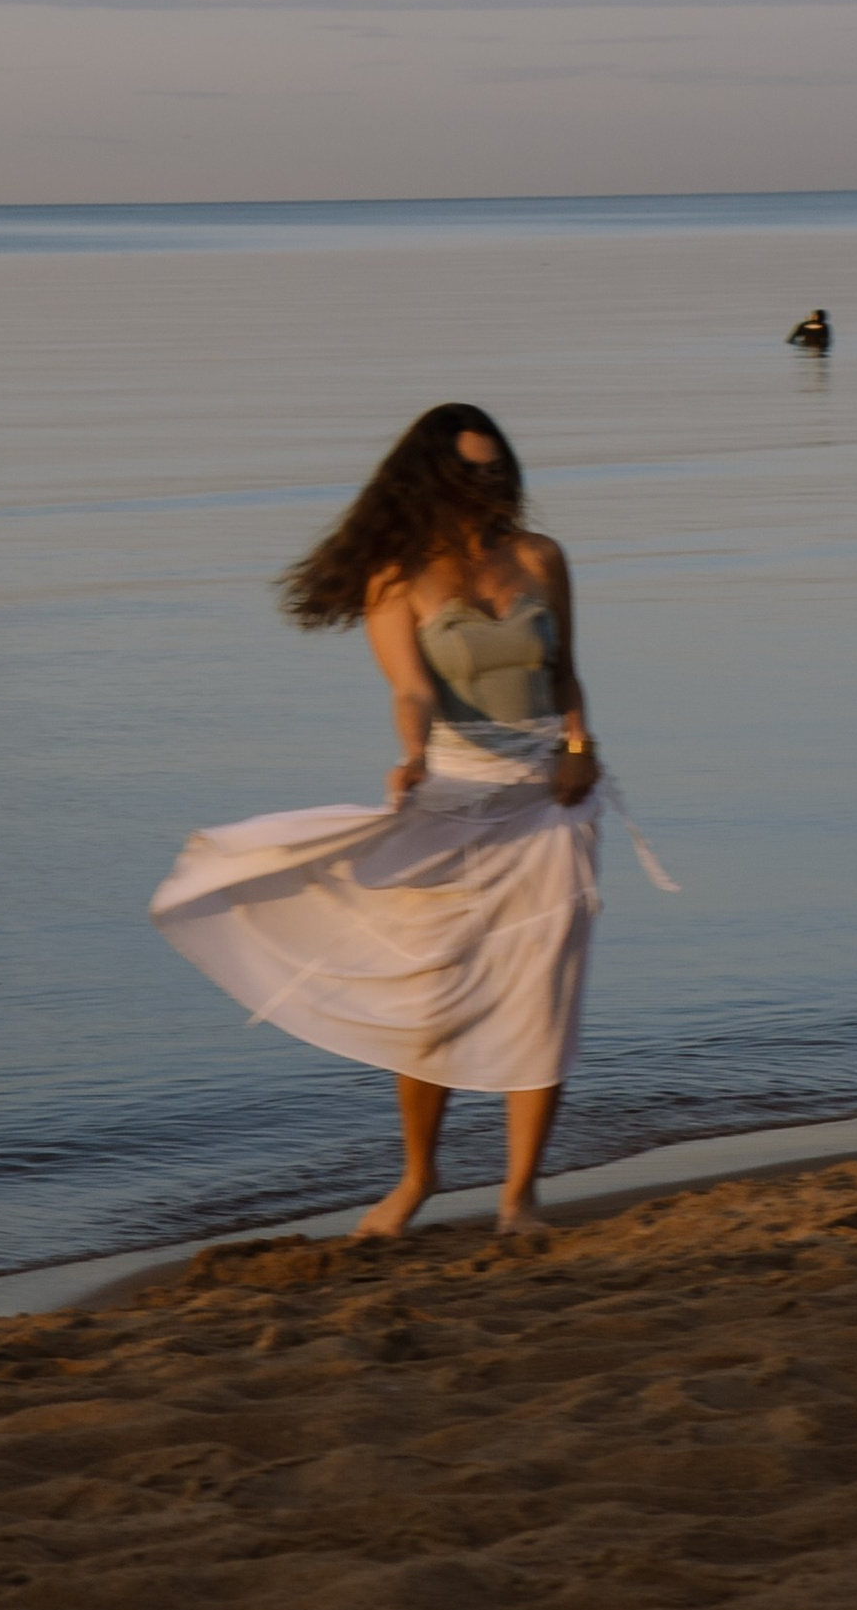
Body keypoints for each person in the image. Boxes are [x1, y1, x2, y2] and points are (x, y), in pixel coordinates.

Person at [150, 401, 605, 1239]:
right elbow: (411, 689)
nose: (488, 482)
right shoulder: (398, 578)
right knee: (430, 997)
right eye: (470, 470)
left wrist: (581, 744)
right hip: (454, 796)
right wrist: (415, 756)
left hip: (551, 801)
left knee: (542, 996)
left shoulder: (542, 558)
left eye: (496, 466)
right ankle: (420, 1177)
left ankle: (518, 1199)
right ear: (433, 477)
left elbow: (567, 672)